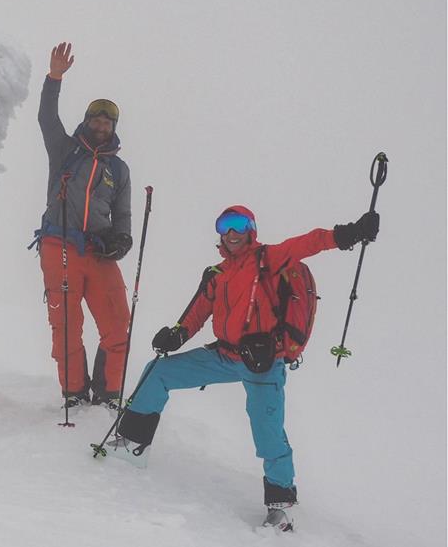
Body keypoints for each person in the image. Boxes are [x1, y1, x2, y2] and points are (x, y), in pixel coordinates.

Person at [107, 204, 380, 531]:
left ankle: (281, 504)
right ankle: (130, 445)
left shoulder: (269, 258)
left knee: (267, 430)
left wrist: (351, 233)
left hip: (262, 363)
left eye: (238, 225)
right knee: (158, 372)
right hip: (223, 356)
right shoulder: (217, 273)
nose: (232, 233)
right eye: (225, 226)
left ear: (251, 229)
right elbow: (198, 312)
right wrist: (178, 334)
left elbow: (310, 242)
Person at [31, 42, 133, 410]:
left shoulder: (118, 170)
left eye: (108, 121)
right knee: (67, 328)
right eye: (96, 118)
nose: (102, 124)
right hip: (58, 246)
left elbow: (123, 216)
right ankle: (74, 394)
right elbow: (46, 118)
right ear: (88, 121)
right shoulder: (65, 149)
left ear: (113, 127)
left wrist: (122, 241)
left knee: (118, 326)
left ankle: (108, 396)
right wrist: (54, 78)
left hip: (99, 252)